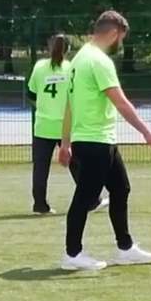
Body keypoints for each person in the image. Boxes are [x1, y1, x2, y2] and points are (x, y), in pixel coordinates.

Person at [57, 10, 151, 271]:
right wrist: (146, 132)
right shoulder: (98, 61)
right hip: (95, 141)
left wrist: (66, 142)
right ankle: (72, 254)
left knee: (120, 188)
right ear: (114, 33)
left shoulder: (78, 59)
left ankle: (125, 248)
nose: (121, 44)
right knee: (85, 196)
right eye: (122, 38)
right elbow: (121, 102)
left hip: (98, 139)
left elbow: (68, 105)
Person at [26, 34, 108, 215]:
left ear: (49, 47)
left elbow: (31, 95)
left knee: (40, 168)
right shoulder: (71, 68)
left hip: (43, 126)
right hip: (66, 126)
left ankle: (40, 205)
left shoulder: (39, 67)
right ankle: (92, 200)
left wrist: (44, 107)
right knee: (77, 165)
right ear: (68, 49)